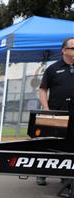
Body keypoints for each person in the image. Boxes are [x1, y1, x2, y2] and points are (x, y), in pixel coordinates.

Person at [36, 37, 74, 186]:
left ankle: (65, 175)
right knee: (49, 144)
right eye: (73, 48)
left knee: (69, 145)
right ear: (64, 50)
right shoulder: (53, 69)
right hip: (56, 114)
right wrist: (46, 109)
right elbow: (42, 89)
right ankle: (41, 174)